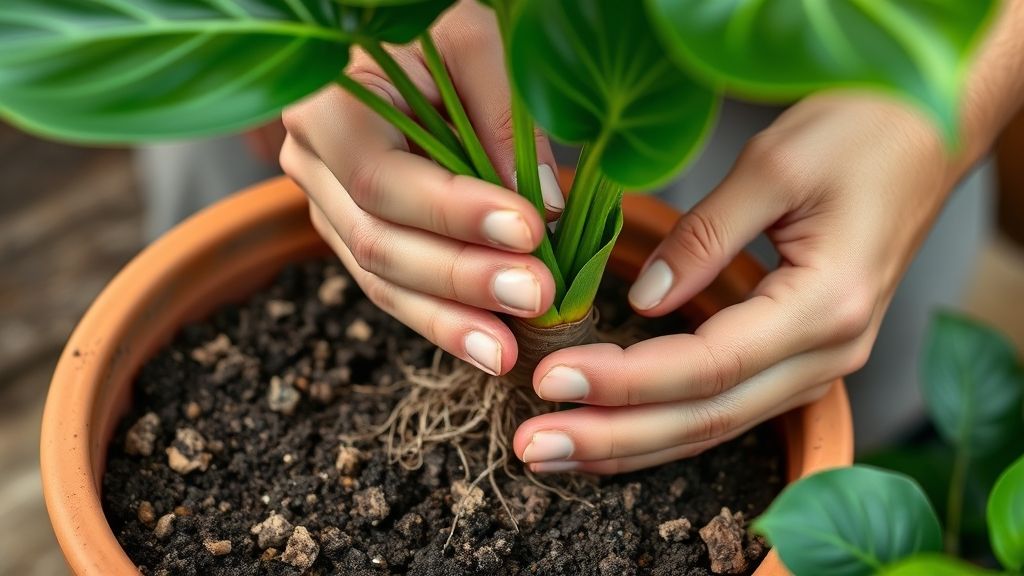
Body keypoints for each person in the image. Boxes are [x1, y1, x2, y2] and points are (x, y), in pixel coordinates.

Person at [278, 1, 1024, 474]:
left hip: (824, 111)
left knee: (842, 403)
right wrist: (320, 55)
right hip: (421, 97)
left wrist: (931, 115)